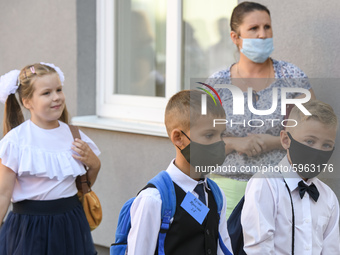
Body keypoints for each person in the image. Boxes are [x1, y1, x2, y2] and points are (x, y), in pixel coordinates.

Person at [206, 1, 316, 217]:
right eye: (253, 28)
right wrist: (236, 142)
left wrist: (274, 141)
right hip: (227, 190)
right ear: (235, 37)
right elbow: (202, 141)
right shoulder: (217, 83)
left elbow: (315, 135)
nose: (262, 34)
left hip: (281, 188)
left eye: (267, 27)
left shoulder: (292, 77)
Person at [0, 63, 101, 255]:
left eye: (59, 90)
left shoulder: (74, 135)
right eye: (46, 93)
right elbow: (3, 194)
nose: (56, 97)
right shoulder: (16, 141)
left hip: (70, 223)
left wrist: (95, 164)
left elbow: (84, 185)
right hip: (28, 227)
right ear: (27, 101)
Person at [126, 90, 233, 254]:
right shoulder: (154, 200)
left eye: (222, 134)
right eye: (209, 135)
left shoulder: (216, 195)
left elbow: (223, 248)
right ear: (178, 138)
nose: (219, 143)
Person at [241, 100, 340, 254]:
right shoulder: (266, 183)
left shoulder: (329, 198)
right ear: (286, 140)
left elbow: (331, 250)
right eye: (309, 141)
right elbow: (258, 248)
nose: (318, 151)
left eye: (326, 145)